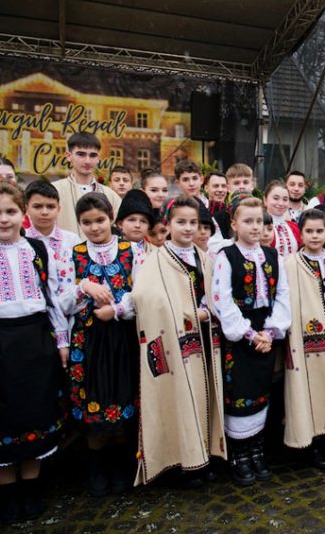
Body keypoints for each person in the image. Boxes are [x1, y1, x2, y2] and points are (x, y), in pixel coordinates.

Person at [0, 181, 68, 524]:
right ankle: (7, 493)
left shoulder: (36, 249)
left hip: (35, 340)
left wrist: (61, 342)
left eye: (10, 212)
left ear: (23, 215)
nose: (4, 219)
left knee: (35, 411)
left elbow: (51, 298)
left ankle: (31, 487)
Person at [132, 195, 224, 486]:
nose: (187, 228)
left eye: (193, 223)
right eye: (180, 222)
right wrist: (186, 313)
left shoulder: (206, 259)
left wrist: (210, 311)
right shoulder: (154, 261)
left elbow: (218, 296)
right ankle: (185, 462)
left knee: (204, 397)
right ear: (167, 225)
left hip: (206, 341)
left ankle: (206, 455)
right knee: (181, 400)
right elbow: (144, 299)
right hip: (175, 345)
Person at [60, 192, 145, 497]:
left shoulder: (132, 250)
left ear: (111, 218)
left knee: (121, 399)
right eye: (87, 222)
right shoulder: (73, 253)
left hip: (121, 336)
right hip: (88, 340)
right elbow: (63, 302)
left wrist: (118, 309)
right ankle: (96, 467)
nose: (94, 228)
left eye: (100, 220)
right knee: (94, 400)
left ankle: (120, 466)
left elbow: (142, 294)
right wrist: (84, 287)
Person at [212, 196, 290, 486]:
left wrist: (270, 331)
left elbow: (282, 295)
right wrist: (247, 333)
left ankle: (257, 448)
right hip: (240, 335)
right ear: (234, 224)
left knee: (261, 388)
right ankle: (239, 453)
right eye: (248, 221)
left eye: (259, 221)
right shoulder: (226, 256)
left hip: (266, 332)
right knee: (238, 391)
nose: (255, 226)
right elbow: (221, 300)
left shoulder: (272, 256)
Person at [283, 208, 325, 469]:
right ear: (300, 234)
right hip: (309, 340)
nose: (314, 236)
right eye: (309, 231)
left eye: (319, 231)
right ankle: (313, 443)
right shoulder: (292, 264)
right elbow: (291, 303)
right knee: (312, 389)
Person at [52, 133, 122, 234]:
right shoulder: (55, 190)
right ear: (68, 156)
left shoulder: (110, 195)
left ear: (98, 158)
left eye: (92, 155)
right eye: (81, 154)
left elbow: (120, 230)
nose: (87, 161)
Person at [24, 181, 82, 293]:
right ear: (27, 209)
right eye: (37, 206)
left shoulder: (71, 240)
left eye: (50, 207)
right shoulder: (21, 240)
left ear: (58, 209)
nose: (44, 212)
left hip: (69, 306)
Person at [214, 164, 257, 239]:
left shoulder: (261, 212)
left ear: (252, 185)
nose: (241, 186)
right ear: (227, 188)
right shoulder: (219, 217)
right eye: (236, 183)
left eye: (246, 182)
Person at [263, 180, 302, 259]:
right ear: (265, 200)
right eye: (276, 198)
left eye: (285, 199)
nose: (281, 203)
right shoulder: (259, 227)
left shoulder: (295, 227)